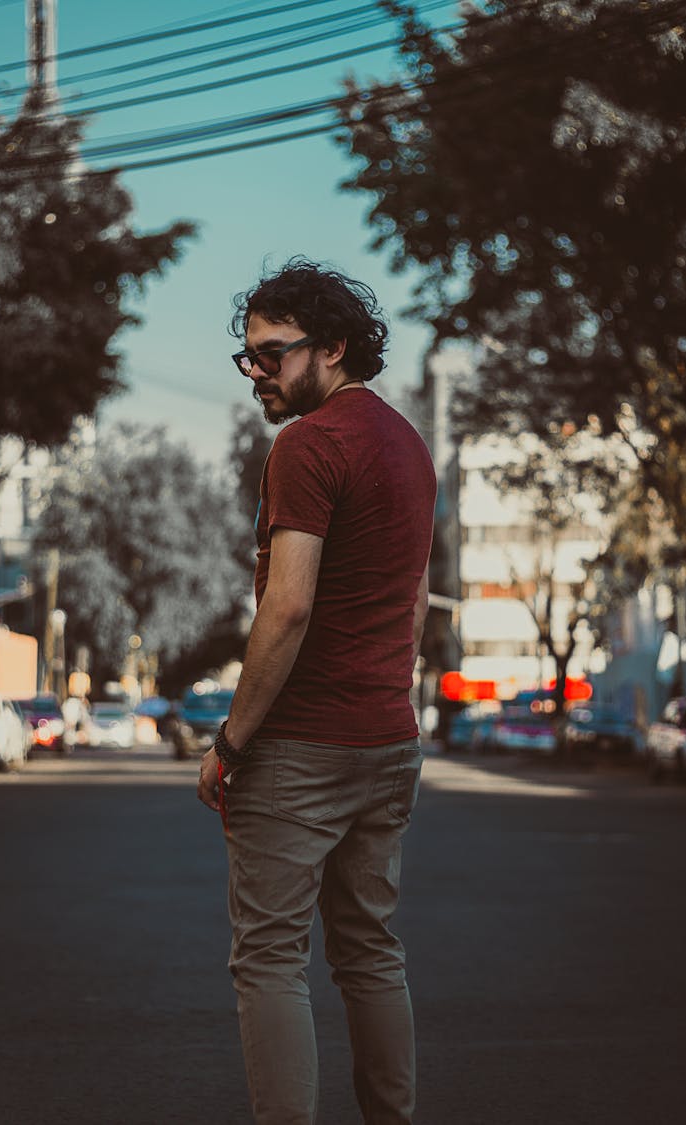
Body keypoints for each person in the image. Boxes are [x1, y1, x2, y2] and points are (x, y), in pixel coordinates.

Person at [197, 258, 436, 1125]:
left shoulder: (308, 444)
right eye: (248, 358)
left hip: (301, 745)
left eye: (271, 354)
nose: (256, 372)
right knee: (371, 952)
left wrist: (230, 743)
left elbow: (288, 605)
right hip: (387, 739)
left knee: (268, 958)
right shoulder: (407, 443)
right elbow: (410, 601)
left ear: (331, 347)